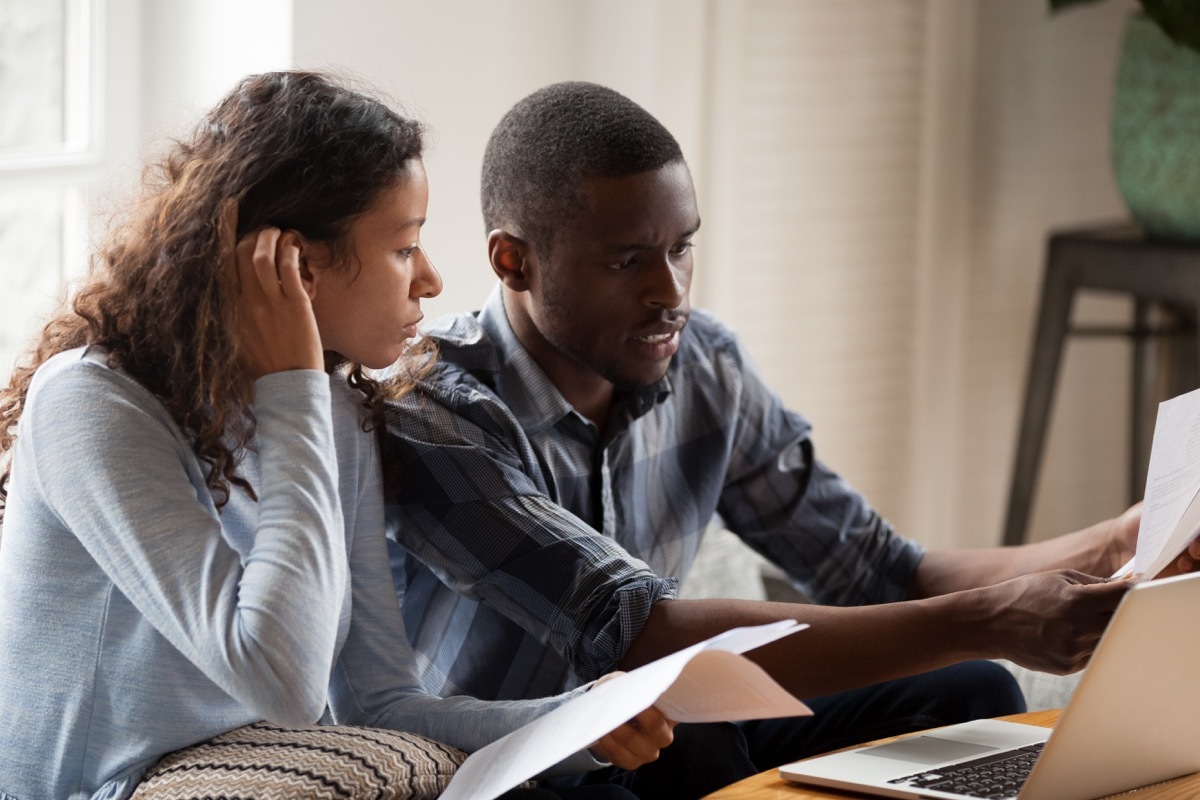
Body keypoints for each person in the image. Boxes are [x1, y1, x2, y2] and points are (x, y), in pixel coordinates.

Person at [380, 81, 1178, 798]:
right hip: (519, 765)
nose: (670, 292)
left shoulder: (706, 367)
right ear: (513, 261)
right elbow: (639, 636)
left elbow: (879, 570)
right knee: (675, 756)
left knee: (969, 695)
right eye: (628, 261)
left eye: (681, 247)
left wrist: (1109, 547)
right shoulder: (431, 406)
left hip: (663, 727)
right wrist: (990, 617)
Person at [0, 72, 672, 800]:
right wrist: (293, 393)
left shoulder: (335, 417)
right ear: (296, 264)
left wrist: (575, 721)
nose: (432, 280)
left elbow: (379, 705)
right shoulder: (90, 404)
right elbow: (282, 681)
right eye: (404, 247)